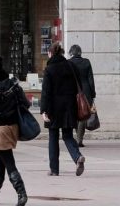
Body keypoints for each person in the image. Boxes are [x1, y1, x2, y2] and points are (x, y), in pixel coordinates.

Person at [0, 56, 30, 206]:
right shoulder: (13, 84)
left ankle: (21, 193)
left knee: (8, 161)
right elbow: (26, 104)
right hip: (13, 126)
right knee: (1, 160)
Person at [41, 42, 85, 177]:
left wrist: (44, 110)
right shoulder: (71, 66)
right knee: (68, 135)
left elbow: (46, 92)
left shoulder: (49, 69)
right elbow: (80, 85)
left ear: (51, 53)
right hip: (69, 105)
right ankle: (77, 157)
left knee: (53, 137)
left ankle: (54, 169)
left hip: (54, 107)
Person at [68, 45, 96, 147]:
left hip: (73, 91)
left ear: (71, 53)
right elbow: (90, 79)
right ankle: (79, 138)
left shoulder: (68, 63)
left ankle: (78, 136)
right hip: (86, 91)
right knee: (83, 115)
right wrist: (93, 94)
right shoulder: (86, 62)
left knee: (75, 114)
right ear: (80, 52)